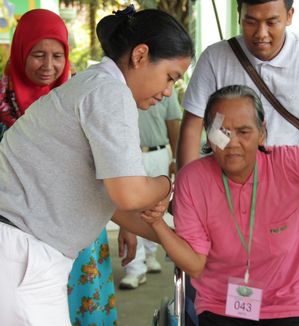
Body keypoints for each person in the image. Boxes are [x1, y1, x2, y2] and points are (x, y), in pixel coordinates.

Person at [0, 5, 193, 325]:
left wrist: (170, 237)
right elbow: (129, 195)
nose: (167, 91)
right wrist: (168, 183)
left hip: (24, 252)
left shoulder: (96, 85)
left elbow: (112, 203)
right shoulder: (110, 93)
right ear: (141, 55)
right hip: (23, 254)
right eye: (170, 77)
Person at [139, 84, 299, 325]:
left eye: (244, 132)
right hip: (220, 306)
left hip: (289, 306)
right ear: (209, 135)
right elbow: (194, 264)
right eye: (222, 132)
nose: (232, 143)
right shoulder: (192, 180)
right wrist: (157, 224)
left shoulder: (289, 163)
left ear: (262, 133)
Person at [178, 0, 299, 211]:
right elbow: (192, 128)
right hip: (227, 195)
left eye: (272, 22)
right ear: (239, 14)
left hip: (296, 193)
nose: (261, 34)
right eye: (251, 22)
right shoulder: (215, 58)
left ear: (289, 15)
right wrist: (187, 194)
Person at [119, 91, 181, 289]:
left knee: (155, 206)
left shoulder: (166, 89)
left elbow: (173, 123)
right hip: (131, 153)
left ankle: (150, 254)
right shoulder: (126, 85)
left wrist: (175, 159)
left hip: (159, 153)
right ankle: (135, 269)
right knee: (132, 206)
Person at [0, 9, 70, 139]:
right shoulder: (3, 99)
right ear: (20, 52)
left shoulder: (76, 99)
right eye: (39, 55)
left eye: (57, 56)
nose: (48, 66)